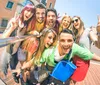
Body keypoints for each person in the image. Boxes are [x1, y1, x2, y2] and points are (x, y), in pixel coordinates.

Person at [1, 4, 36, 75]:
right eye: (28, 10)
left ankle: (14, 76)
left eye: (32, 12)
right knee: (3, 66)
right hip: (8, 51)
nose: (29, 14)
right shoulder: (14, 21)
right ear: (23, 10)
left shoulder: (26, 25)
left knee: (13, 67)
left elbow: (26, 36)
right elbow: (3, 38)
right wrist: (12, 28)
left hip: (16, 52)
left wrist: (33, 33)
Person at [70, 16, 100, 85]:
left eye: (76, 20)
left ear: (80, 21)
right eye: (73, 21)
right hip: (73, 60)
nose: (74, 22)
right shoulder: (75, 33)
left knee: (72, 81)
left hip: (83, 61)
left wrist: (99, 32)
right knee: (70, 79)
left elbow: (98, 44)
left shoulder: (88, 31)